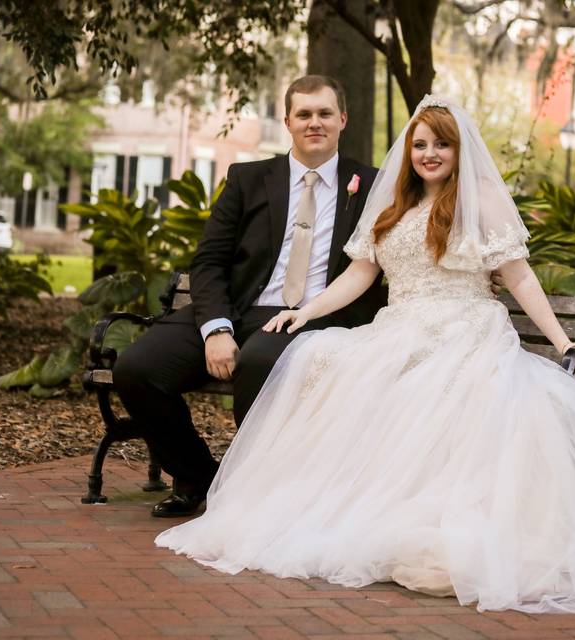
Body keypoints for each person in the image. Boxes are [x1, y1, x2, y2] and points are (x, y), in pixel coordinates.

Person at [155, 96, 575, 613]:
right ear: (409, 152)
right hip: (398, 327)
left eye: (441, 144)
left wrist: (561, 340)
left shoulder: (478, 206)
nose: (430, 154)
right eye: (421, 145)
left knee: (447, 395)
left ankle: (440, 525)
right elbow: (359, 275)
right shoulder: (393, 208)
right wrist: (305, 313)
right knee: (319, 358)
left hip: (466, 331)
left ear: (460, 150)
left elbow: (521, 279)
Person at [112, 75, 386, 518]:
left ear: (343, 120)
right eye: (304, 114)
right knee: (137, 368)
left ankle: (253, 487)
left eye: (324, 114)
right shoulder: (249, 178)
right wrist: (217, 328)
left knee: (258, 360)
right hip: (237, 309)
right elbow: (210, 261)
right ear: (287, 122)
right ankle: (197, 474)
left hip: (312, 315)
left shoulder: (371, 185)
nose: (314, 123)